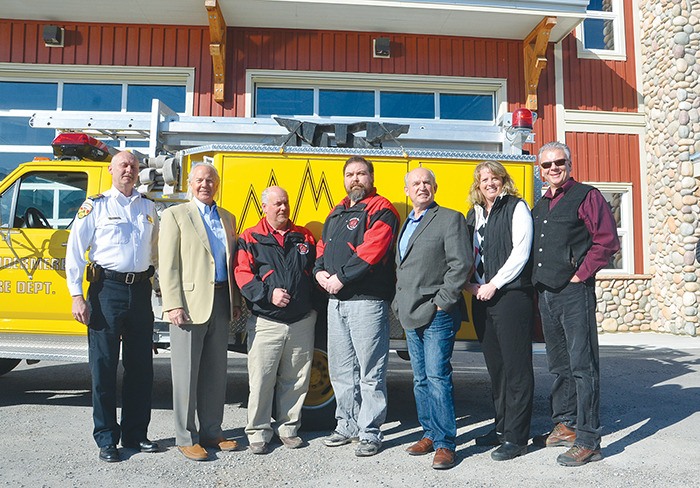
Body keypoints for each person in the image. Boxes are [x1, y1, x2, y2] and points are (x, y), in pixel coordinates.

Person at [66, 151, 159, 463]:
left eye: (133, 166)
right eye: (123, 165)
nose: (129, 170)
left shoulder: (148, 206)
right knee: (104, 367)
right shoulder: (96, 205)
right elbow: (76, 251)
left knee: (140, 367)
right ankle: (107, 438)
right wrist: (76, 295)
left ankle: (135, 433)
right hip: (107, 290)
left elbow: (155, 251)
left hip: (141, 292)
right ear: (111, 170)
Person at [532, 141, 620, 466]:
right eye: (547, 165)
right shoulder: (540, 205)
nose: (553, 168)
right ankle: (566, 425)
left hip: (573, 292)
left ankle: (589, 440)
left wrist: (580, 275)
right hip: (547, 295)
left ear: (569, 164)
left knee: (583, 367)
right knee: (559, 365)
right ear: (540, 170)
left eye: (559, 162)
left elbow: (607, 241)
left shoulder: (587, 195)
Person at [314, 155, 400, 457]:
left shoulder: (382, 209)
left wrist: (341, 278)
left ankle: (370, 432)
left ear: (371, 177)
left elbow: (372, 250)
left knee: (370, 371)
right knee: (340, 369)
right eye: (350, 174)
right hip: (336, 302)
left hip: (366, 302)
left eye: (361, 174)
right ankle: (346, 425)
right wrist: (319, 271)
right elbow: (322, 247)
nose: (355, 179)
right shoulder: (337, 211)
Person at [158, 163, 242, 461]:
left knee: (215, 373)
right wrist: (173, 303)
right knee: (186, 374)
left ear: (217, 184)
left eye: (210, 180)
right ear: (190, 184)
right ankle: (185, 435)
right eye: (199, 180)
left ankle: (212, 430)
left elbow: (230, 263)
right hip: (189, 306)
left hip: (221, 301)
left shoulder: (228, 218)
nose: (204, 184)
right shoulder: (175, 216)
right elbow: (167, 264)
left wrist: (234, 301)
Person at [392, 167, 470, 470]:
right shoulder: (407, 223)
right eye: (416, 183)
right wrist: (399, 303)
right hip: (410, 311)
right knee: (421, 378)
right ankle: (429, 433)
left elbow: (460, 265)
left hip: (437, 314)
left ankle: (446, 444)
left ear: (435, 187)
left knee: (438, 377)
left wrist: (442, 303)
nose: (421, 187)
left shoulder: (449, 218)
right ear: (407, 191)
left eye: (427, 182)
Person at [234, 186, 317, 455]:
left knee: (296, 380)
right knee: (261, 380)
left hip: (301, 322)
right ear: (264, 208)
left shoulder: (304, 236)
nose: (283, 208)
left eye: (286, 203)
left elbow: (315, 268)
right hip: (266, 322)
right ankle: (257, 432)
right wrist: (269, 294)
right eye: (277, 204)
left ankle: (288, 429)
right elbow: (243, 274)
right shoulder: (250, 237)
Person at [465, 160, 534, 461]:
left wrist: (494, 283)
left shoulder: (517, 207)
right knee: (497, 369)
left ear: (504, 181)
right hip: (480, 297)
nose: (490, 183)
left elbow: (521, 252)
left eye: (495, 178)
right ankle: (501, 428)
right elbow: (468, 253)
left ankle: (517, 438)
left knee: (517, 368)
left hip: (510, 297)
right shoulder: (474, 213)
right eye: (484, 179)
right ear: (477, 185)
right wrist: (469, 284)